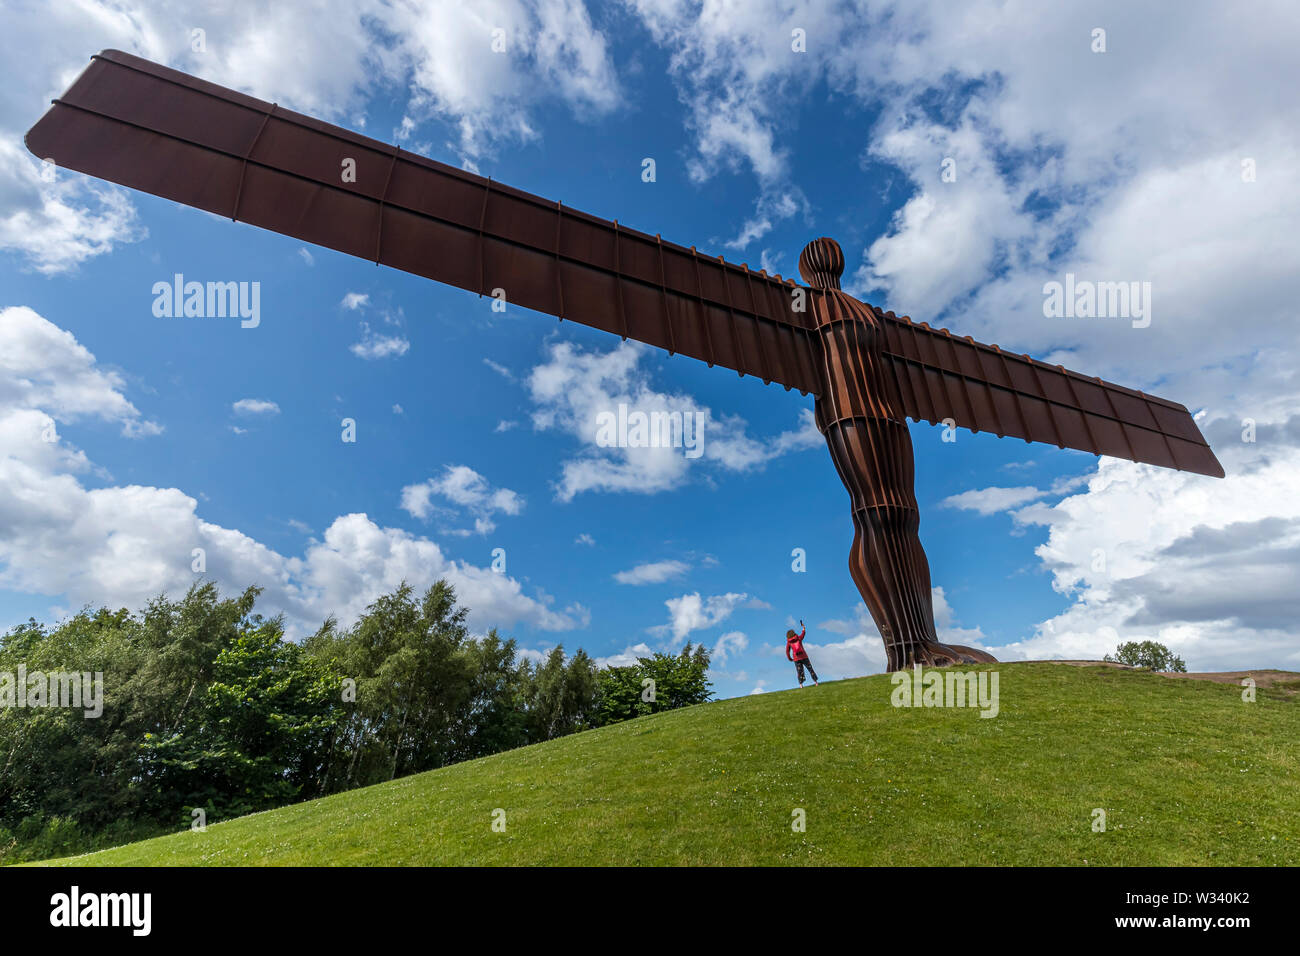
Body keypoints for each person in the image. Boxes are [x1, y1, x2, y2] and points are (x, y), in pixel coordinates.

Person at [786, 619, 819, 687]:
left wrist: (790, 658)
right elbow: (803, 634)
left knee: (799, 672)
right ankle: (816, 682)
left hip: (796, 659)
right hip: (804, 656)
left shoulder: (789, 642)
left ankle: (801, 685)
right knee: (810, 669)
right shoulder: (798, 638)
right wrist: (803, 628)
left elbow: (787, 651)